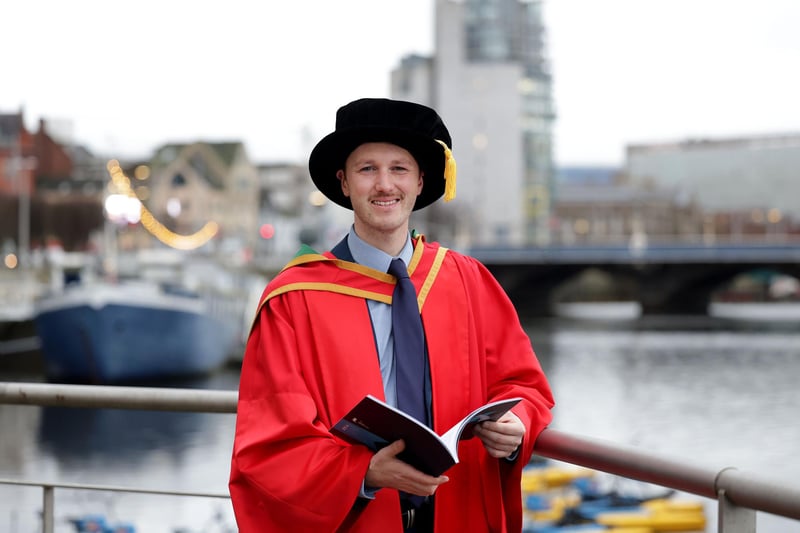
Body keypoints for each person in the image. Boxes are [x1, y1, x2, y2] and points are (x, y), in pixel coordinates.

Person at [229, 98, 554, 532]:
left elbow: (524, 385)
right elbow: (269, 443)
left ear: (421, 181)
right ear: (344, 183)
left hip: (457, 507)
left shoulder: (467, 280)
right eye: (367, 169)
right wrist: (362, 472)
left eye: (399, 169)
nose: (385, 185)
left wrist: (517, 425)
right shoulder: (294, 299)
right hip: (358, 516)